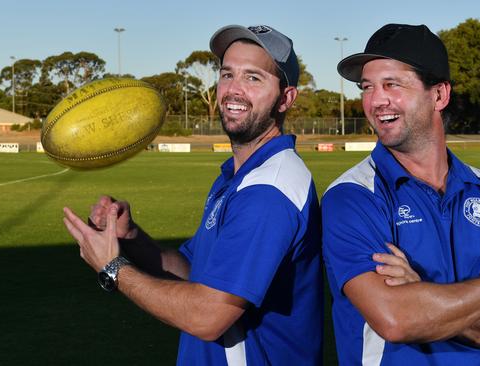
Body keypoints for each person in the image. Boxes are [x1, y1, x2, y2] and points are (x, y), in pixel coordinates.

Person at [63, 24, 323, 366]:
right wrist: (132, 238)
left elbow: (207, 316)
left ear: (286, 98)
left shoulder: (269, 190)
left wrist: (113, 267)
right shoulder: (237, 178)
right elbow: (194, 271)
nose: (233, 90)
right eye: (227, 74)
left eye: (253, 78)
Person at [322, 23, 480, 365]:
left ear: (439, 95)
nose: (375, 100)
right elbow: (397, 320)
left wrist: (426, 299)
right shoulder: (352, 196)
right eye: (367, 87)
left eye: (392, 84)